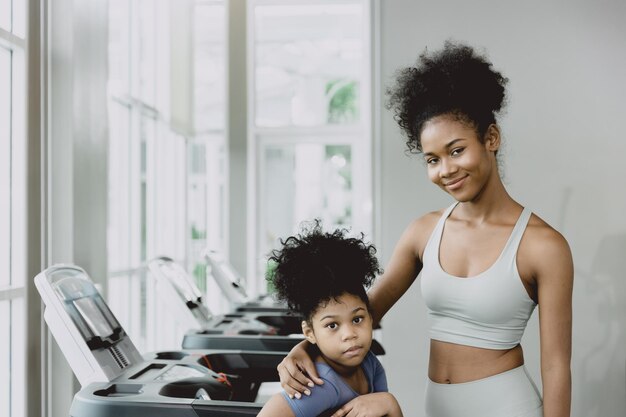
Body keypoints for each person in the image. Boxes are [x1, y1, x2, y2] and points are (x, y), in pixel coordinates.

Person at [276, 41, 573, 417]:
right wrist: (305, 347)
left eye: (456, 150)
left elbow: (556, 367)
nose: (446, 169)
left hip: (507, 406)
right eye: (432, 159)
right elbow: (364, 312)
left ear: (491, 139)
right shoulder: (424, 232)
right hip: (439, 406)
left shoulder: (544, 246)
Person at [257, 222, 403, 417]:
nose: (350, 334)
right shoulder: (319, 384)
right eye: (332, 325)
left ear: (370, 316)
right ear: (309, 333)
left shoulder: (370, 364)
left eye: (357, 319)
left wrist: (391, 404)